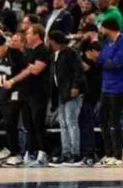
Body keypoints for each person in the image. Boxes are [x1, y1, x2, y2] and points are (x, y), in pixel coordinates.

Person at [3, 24, 52, 167]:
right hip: (27, 93)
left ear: (37, 35)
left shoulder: (42, 50)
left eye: (30, 33)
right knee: (28, 124)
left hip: (39, 92)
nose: (27, 36)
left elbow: (36, 70)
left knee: (38, 123)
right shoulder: (30, 52)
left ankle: (43, 153)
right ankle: (30, 152)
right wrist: (13, 80)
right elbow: (25, 71)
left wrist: (25, 65)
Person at [0, 34, 25, 167]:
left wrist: (13, 81)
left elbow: (26, 71)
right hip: (0, 94)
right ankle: (2, 149)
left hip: (14, 93)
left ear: (4, 46)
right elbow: (0, 73)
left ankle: (15, 153)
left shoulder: (15, 54)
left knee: (10, 123)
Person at [97, 18, 123, 167]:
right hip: (106, 86)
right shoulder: (106, 42)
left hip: (120, 86)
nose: (100, 30)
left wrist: (104, 61)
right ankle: (108, 153)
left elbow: (118, 62)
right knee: (103, 119)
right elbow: (101, 59)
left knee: (114, 120)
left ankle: (118, 155)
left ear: (108, 28)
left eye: (102, 27)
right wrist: (104, 61)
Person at [49, 31, 86, 167]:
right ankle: (66, 153)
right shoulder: (54, 56)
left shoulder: (71, 53)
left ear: (54, 41)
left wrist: (75, 86)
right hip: (61, 94)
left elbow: (78, 71)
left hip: (71, 92)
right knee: (63, 124)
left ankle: (75, 153)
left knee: (71, 122)